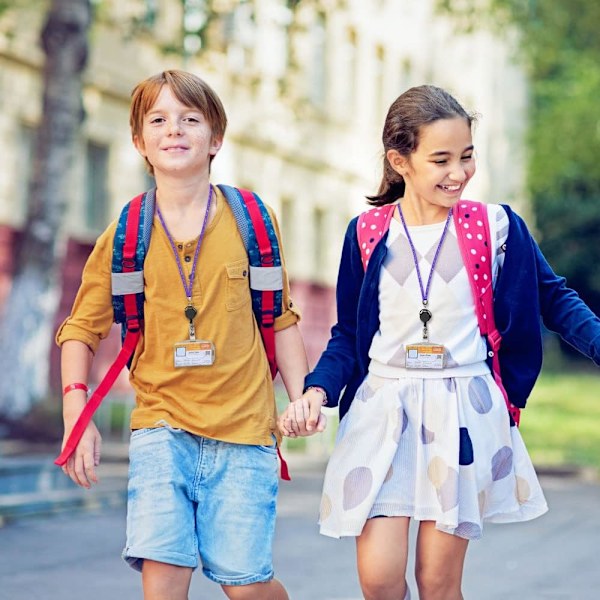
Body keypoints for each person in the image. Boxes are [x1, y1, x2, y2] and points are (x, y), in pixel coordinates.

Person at [278, 84, 600, 600]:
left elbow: (555, 300)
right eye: (442, 160)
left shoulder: (494, 229)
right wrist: (317, 390)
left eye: (467, 157)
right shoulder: (366, 233)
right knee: (380, 581)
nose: (459, 173)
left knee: (437, 581)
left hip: (460, 414)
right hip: (382, 410)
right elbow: (350, 335)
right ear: (399, 160)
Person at [57, 69, 308, 600]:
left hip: (244, 432)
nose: (174, 129)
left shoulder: (254, 221)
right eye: (159, 120)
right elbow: (81, 328)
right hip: (160, 430)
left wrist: (303, 394)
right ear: (139, 141)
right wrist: (76, 410)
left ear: (216, 138)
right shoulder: (125, 233)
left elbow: (280, 318)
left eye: (190, 119)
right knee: (163, 584)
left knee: (247, 587)